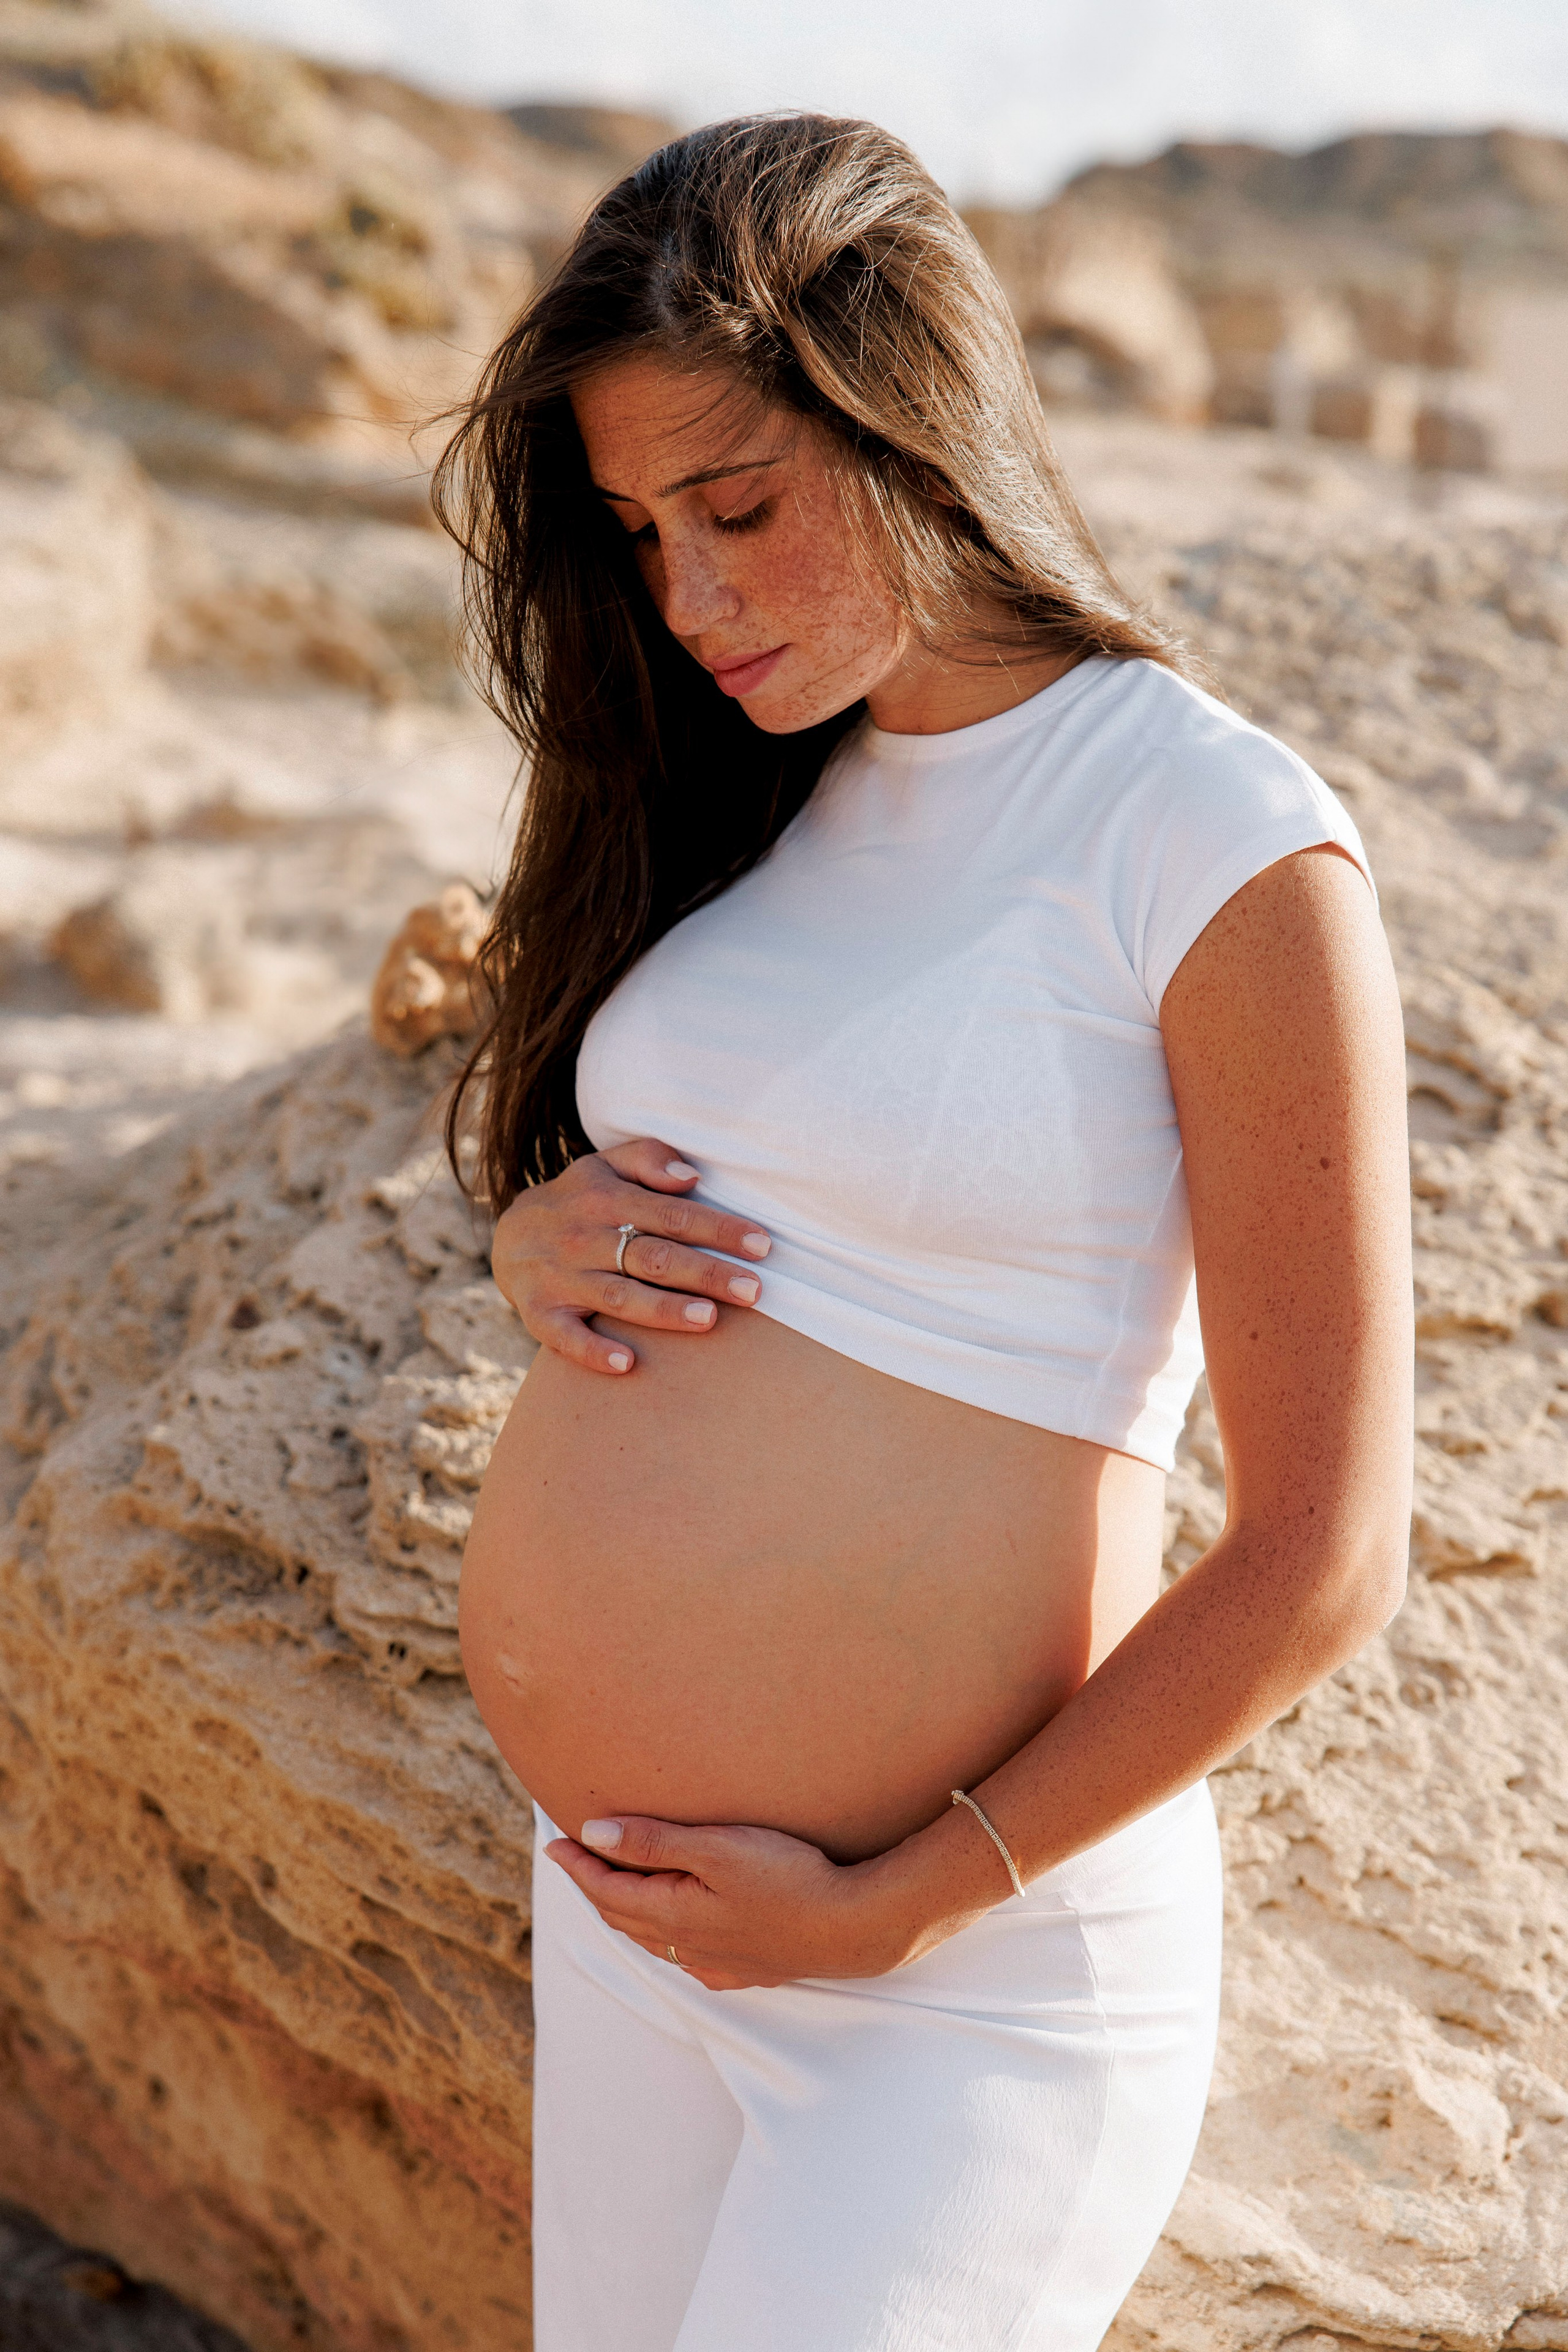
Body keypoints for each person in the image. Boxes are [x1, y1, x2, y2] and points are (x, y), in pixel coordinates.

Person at [437, 112, 1414, 2352]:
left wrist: (896, 1905)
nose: (689, 601)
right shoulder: (766, 789)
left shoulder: (1208, 828)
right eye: (640, 534)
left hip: (964, 1982)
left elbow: (1327, 1552)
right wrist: (533, 1244)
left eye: (740, 506)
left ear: (915, 419)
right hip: (635, 1930)